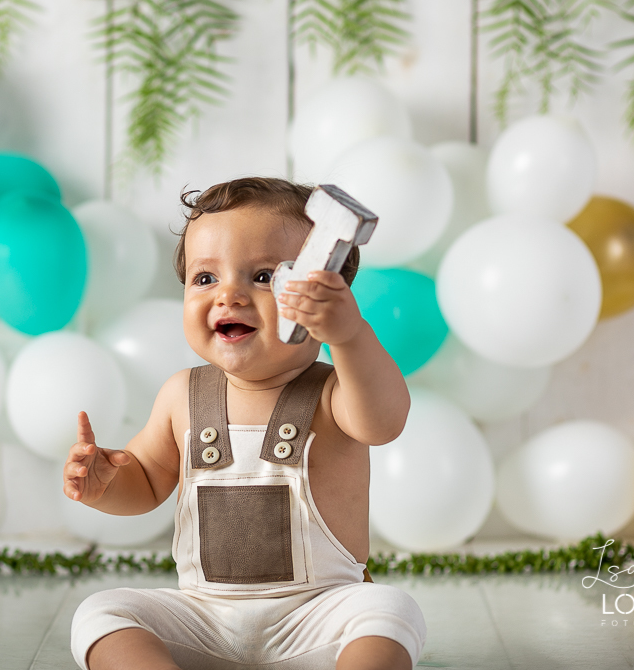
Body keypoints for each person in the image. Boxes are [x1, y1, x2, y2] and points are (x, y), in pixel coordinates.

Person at [66, 177, 426, 670]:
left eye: (263, 277)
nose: (229, 295)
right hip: (204, 619)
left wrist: (350, 336)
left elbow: (384, 422)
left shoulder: (334, 392)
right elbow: (146, 481)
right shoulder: (181, 395)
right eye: (205, 278)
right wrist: (106, 483)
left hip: (317, 616)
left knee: (389, 610)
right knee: (101, 614)